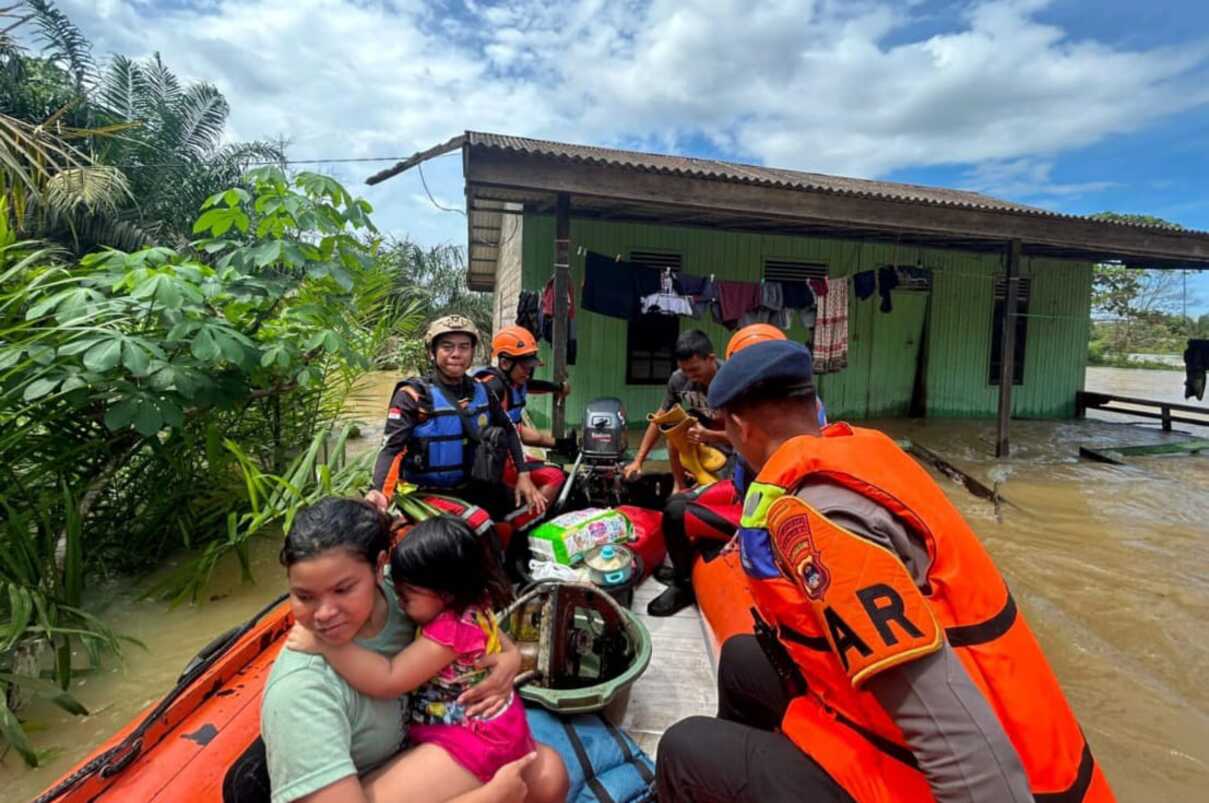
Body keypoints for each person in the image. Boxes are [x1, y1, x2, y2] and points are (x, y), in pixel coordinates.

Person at [656, 340, 1114, 802]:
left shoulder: (821, 524)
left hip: (967, 779)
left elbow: (956, 738)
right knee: (742, 660)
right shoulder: (863, 454)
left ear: (738, 425)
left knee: (684, 746)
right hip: (909, 729)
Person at [261, 496, 549, 803]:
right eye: (304, 596)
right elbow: (390, 678)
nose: (323, 614)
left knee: (550, 776)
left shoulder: (403, 596)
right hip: (367, 782)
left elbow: (476, 625)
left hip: (441, 736)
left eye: (343, 589)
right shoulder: (300, 691)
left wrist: (509, 657)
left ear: (379, 566)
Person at [646, 325, 826, 618]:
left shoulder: (774, 417)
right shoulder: (800, 405)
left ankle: (686, 584)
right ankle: (685, 575)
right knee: (678, 503)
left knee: (678, 513)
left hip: (768, 512)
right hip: (747, 493)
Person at [367, 315, 546, 523]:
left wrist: (523, 474)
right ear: (432, 352)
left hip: (474, 487)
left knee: (529, 510)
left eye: (464, 347)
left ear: (472, 352)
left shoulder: (483, 391)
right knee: (479, 524)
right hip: (428, 493)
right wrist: (379, 491)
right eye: (447, 347)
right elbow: (392, 448)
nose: (456, 354)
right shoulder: (414, 395)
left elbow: (508, 429)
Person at [474, 326, 572, 514]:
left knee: (547, 466)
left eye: (530, 367)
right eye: (524, 367)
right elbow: (507, 434)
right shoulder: (493, 389)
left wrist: (559, 443)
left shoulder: (514, 383)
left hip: (507, 455)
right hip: (493, 462)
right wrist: (522, 471)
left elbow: (521, 429)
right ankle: (522, 525)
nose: (528, 372)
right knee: (555, 476)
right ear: (504, 363)